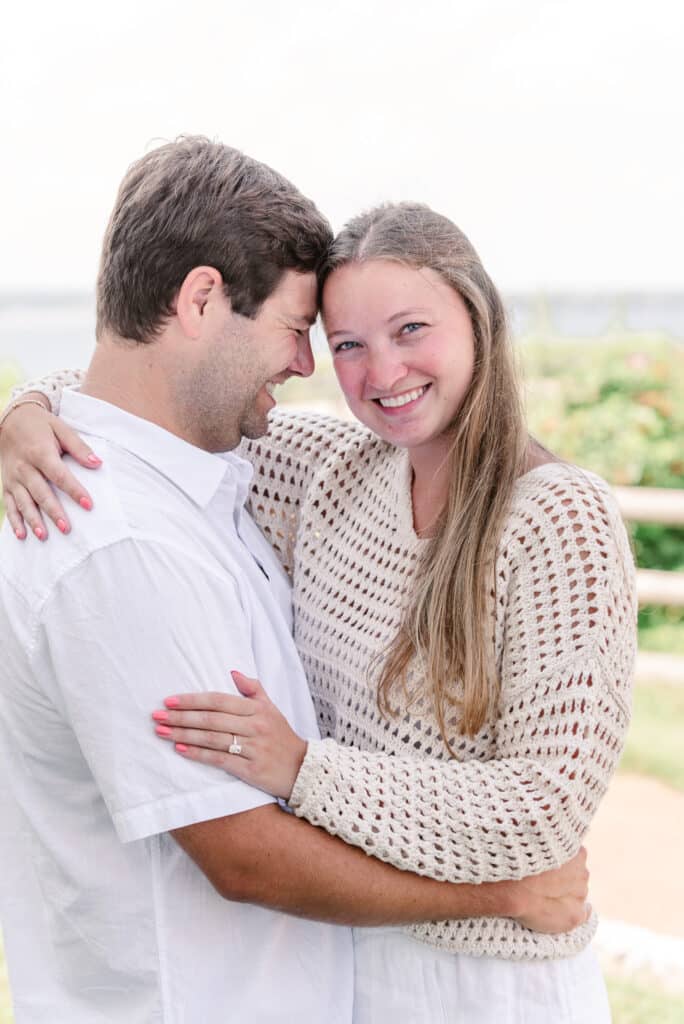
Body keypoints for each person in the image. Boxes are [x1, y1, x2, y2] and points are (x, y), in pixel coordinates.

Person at [0, 192, 606, 1023]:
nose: (380, 373)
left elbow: (547, 809)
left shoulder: (558, 518)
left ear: (477, 316)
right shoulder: (330, 469)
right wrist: (27, 411)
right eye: (345, 343)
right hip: (353, 950)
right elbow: (147, 392)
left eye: (411, 331)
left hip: (488, 981)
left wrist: (303, 770)